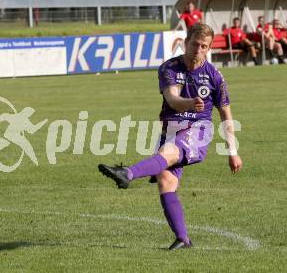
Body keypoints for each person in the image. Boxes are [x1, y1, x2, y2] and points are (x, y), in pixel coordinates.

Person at [98, 23, 243, 250]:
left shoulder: (215, 76)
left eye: (204, 46)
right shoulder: (169, 68)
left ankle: (127, 173)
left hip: (198, 130)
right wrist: (190, 103)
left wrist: (232, 152)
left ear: (209, 49)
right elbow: (173, 99)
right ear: (186, 43)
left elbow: (226, 114)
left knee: (168, 153)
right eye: (195, 44)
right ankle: (183, 239)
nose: (199, 49)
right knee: (166, 182)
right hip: (172, 130)